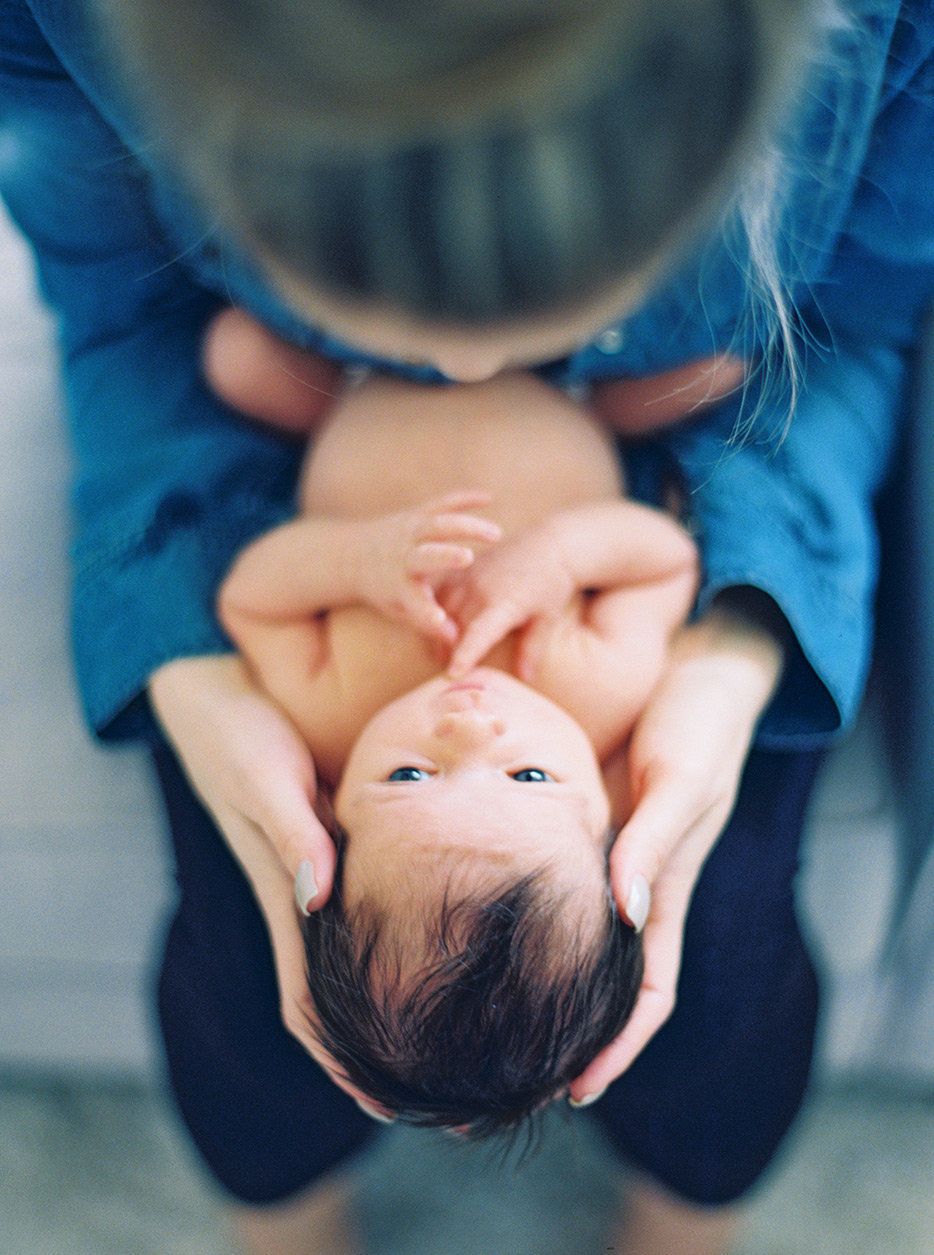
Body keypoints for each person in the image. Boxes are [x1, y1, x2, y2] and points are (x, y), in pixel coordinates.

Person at [2, 1, 932, 1252]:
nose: (470, 357)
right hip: (392, 439)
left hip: (649, 443)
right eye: (370, 288)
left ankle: (689, 1205)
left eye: (548, 299)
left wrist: (732, 654)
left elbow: (851, 326)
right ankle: (280, 1205)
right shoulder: (62, 29)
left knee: (726, 939)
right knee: (243, 931)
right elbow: (130, 317)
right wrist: (194, 684)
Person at [213, 360, 698, 1132]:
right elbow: (666, 560)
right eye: (530, 774)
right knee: (711, 372)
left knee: (237, 359)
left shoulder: (333, 711)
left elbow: (253, 601)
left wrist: (353, 561)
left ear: (333, 814)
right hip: (563, 381)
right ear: (608, 813)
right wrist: (566, 555)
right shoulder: (603, 690)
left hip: (360, 381)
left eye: (408, 774)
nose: (468, 725)